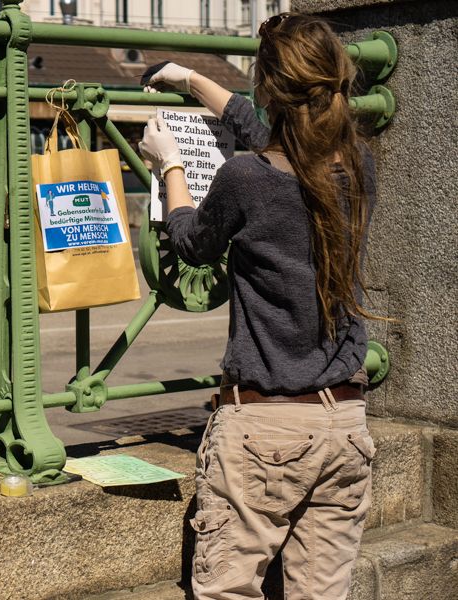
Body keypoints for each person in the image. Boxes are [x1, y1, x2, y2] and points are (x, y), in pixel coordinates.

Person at [139, 14, 381, 600]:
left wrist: (168, 164)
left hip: (264, 427)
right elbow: (275, 141)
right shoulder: (357, 165)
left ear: (268, 89)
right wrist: (194, 80)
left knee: (227, 590)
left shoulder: (244, 178)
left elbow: (193, 241)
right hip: (345, 424)